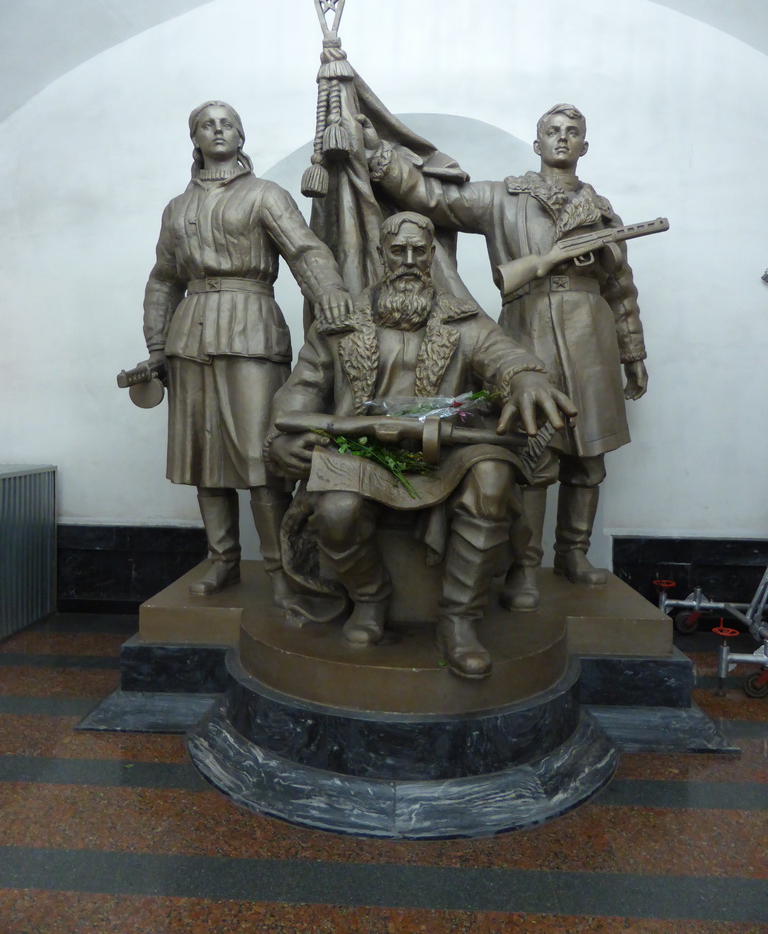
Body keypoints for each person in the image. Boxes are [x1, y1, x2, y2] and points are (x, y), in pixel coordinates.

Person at [266, 211, 576, 680]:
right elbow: (299, 392)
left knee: (493, 478)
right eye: (398, 250)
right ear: (380, 256)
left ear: (433, 256)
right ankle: (370, 599)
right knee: (336, 511)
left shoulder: (464, 320)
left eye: (419, 251)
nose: (409, 260)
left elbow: (505, 356)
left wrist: (528, 377)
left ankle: (459, 620)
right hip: (362, 450)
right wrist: (279, 440)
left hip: (448, 451)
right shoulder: (341, 323)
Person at [357, 105, 647, 606]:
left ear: (584, 145)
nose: (562, 138)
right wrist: (376, 152)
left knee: (590, 457)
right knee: (534, 456)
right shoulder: (502, 196)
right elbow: (432, 197)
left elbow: (621, 289)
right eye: (552, 131)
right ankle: (523, 569)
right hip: (527, 332)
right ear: (536, 144)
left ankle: (573, 555)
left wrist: (632, 351)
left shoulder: (603, 213)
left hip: (592, 338)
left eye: (572, 132)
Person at [139, 101, 351, 601]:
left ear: (241, 135)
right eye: (207, 124)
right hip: (191, 334)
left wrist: (331, 295)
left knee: (263, 457)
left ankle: (282, 571)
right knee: (203, 458)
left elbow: (304, 250)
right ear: (195, 138)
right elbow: (163, 281)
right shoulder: (176, 208)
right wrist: (155, 344)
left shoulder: (265, 195)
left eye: (227, 123)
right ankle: (222, 559)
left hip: (250, 326)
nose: (218, 130)